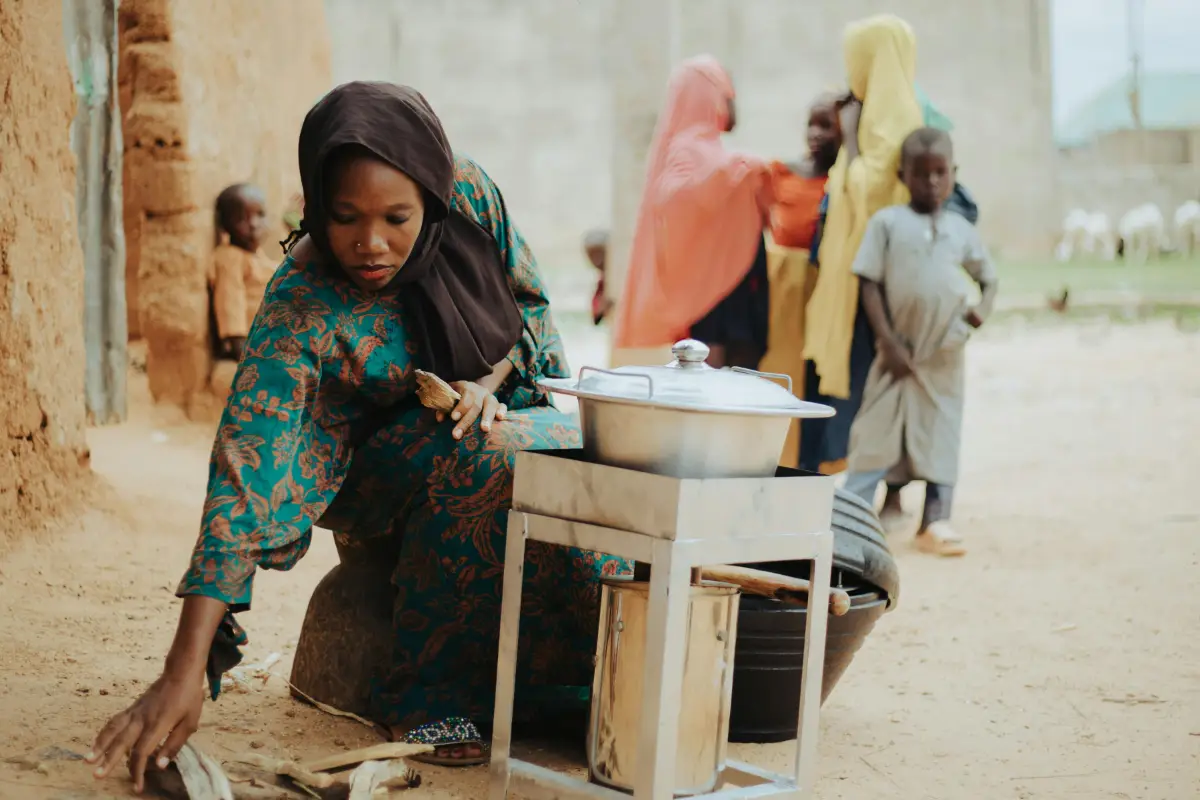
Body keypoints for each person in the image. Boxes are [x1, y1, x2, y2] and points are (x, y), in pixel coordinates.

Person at [87, 81, 630, 790]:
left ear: (432, 199)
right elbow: (247, 472)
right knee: (482, 460)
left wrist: (490, 388)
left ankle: (577, 683)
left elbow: (526, 311)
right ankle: (426, 694)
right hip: (371, 475)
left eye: (397, 218)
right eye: (343, 218)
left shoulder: (468, 195)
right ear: (316, 206)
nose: (370, 244)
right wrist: (183, 669)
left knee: (592, 454)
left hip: (490, 411)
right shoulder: (302, 309)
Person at [842, 127, 998, 556]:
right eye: (921, 173)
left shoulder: (960, 229)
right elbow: (868, 282)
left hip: (943, 353)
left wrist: (980, 310)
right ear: (901, 174)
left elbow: (989, 278)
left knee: (942, 429)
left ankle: (935, 521)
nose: (931, 182)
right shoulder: (888, 223)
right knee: (876, 428)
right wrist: (888, 342)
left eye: (940, 173)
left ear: (953, 175)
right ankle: (852, 518)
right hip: (896, 352)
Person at [798, 14, 924, 476]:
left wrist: (849, 136)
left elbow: (871, 192)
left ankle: (864, 495)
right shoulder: (871, 114)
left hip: (869, 285)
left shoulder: (897, 118)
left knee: (861, 393)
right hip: (843, 282)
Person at [614, 55, 773, 369]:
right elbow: (673, 199)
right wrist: (732, 171)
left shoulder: (709, 149)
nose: (733, 106)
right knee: (716, 375)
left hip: (734, 284)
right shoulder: (687, 148)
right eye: (728, 97)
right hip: (712, 294)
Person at [759, 92, 842, 467]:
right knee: (778, 372)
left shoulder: (842, 183)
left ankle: (810, 464)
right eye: (812, 123)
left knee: (816, 380)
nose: (816, 133)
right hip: (781, 291)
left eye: (827, 125)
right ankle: (772, 457)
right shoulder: (782, 172)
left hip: (823, 290)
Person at [208, 183, 276, 361]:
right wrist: (245, 357)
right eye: (241, 219)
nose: (254, 224)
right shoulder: (230, 258)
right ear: (224, 226)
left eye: (260, 215)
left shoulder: (259, 258)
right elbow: (230, 304)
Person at [583, 228, 613, 325]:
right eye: (592, 255)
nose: (597, 260)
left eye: (600, 254)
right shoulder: (602, 281)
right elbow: (595, 315)